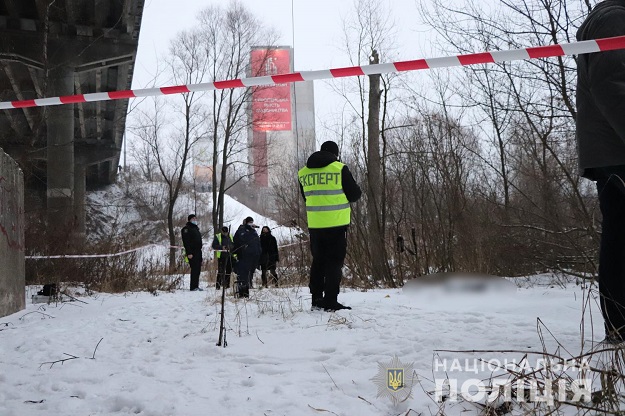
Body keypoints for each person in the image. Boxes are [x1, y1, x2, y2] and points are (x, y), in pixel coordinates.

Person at [577, 1, 625, 344]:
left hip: (611, 149)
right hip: (617, 150)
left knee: (620, 234)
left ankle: (620, 327)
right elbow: (610, 83)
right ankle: (621, 327)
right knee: (621, 238)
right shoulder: (615, 19)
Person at [298, 140, 362, 311]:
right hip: (336, 224)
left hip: (315, 225)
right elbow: (355, 194)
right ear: (335, 154)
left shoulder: (303, 173)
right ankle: (331, 301)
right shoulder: (339, 168)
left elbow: (307, 197)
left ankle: (316, 299)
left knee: (318, 261)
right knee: (334, 263)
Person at [233, 216, 261, 298]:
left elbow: (257, 243)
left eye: (252, 222)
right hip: (243, 256)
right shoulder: (241, 230)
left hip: (253, 256)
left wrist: (259, 252)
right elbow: (240, 240)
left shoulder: (254, 232)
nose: (251, 224)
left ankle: (246, 292)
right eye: (249, 222)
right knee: (242, 275)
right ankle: (242, 294)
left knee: (249, 274)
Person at [181, 214, 203, 291]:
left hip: (198, 252)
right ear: (189, 219)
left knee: (198, 269)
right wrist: (189, 253)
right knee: (194, 269)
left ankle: (196, 285)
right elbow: (186, 242)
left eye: (195, 218)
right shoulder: (186, 229)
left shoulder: (196, 229)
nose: (195, 220)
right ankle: (193, 287)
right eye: (193, 218)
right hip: (192, 252)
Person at [212, 226, 235, 290]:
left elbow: (233, 244)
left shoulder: (230, 236)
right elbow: (214, 246)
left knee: (228, 271)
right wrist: (222, 247)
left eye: (226, 232)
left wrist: (230, 247)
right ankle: (218, 285)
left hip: (229, 255)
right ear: (221, 231)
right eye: (224, 232)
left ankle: (227, 285)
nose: (225, 234)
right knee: (221, 271)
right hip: (222, 256)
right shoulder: (218, 236)